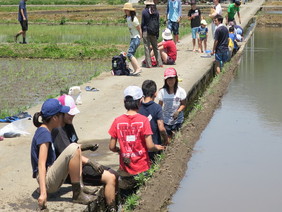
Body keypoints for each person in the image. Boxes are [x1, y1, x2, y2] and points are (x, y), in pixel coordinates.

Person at [51, 95, 118, 212]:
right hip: (68, 170)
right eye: (70, 113)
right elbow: (69, 155)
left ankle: (115, 206)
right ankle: (111, 209)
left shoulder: (68, 125)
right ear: (61, 113)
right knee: (110, 177)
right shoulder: (58, 130)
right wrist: (91, 162)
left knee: (115, 174)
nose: (73, 115)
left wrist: (87, 147)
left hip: (77, 164)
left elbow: (74, 146)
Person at [30, 99, 96, 209]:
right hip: (48, 181)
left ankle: (79, 187)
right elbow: (41, 164)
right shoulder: (44, 134)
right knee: (74, 148)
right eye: (61, 114)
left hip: (50, 176)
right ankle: (77, 194)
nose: (63, 116)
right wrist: (43, 193)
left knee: (76, 148)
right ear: (55, 118)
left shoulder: (47, 130)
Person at [108, 86, 165, 190]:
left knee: (126, 196)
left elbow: (111, 146)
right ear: (140, 101)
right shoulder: (143, 120)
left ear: (125, 101)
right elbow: (150, 146)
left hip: (125, 168)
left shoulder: (117, 121)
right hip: (142, 167)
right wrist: (156, 147)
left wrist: (120, 150)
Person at [139, 80, 169, 161]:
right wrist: (166, 139)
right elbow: (161, 128)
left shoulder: (138, 107)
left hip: (140, 146)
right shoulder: (157, 107)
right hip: (154, 145)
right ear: (155, 94)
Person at [158, 68, 186, 139]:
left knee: (176, 135)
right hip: (166, 119)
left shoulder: (181, 91)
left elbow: (183, 104)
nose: (170, 81)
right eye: (168, 79)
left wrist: (178, 111)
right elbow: (160, 105)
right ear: (165, 80)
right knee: (168, 136)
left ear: (176, 79)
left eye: (172, 79)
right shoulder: (162, 92)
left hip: (177, 119)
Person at [141, 0, 163, 68]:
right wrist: (157, 33)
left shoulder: (144, 12)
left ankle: (149, 64)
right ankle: (160, 63)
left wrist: (142, 32)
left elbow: (142, 23)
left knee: (147, 48)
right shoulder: (156, 11)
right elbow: (158, 23)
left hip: (146, 31)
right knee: (156, 47)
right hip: (154, 32)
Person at [122, 3, 142, 75]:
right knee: (131, 54)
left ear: (130, 11)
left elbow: (139, 29)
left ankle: (138, 68)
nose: (125, 11)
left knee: (129, 54)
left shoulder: (134, 19)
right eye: (125, 10)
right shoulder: (128, 18)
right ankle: (135, 69)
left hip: (136, 38)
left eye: (126, 10)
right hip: (133, 37)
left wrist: (140, 38)